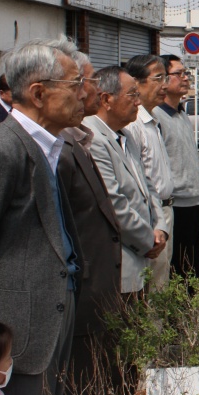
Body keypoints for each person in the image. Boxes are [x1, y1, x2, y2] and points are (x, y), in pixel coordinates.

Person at [0, 38, 85, 395]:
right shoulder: (2, 151)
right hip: (18, 332)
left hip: (51, 313)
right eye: (74, 85)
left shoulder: (50, 145)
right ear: (39, 93)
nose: (83, 93)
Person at [57, 53, 124, 386]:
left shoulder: (79, 139)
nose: (89, 93)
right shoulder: (52, 150)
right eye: (81, 83)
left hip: (95, 293)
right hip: (74, 298)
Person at [83, 66, 167, 297]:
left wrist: (160, 227)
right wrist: (148, 240)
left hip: (143, 257)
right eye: (132, 95)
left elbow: (148, 186)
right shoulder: (93, 139)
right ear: (106, 99)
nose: (138, 102)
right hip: (121, 261)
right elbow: (115, 203)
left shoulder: (125, 135)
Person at [154, 55, 199, 279]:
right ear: (164, 80)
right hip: (177, 204)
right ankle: (177, 315)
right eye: (179, 74)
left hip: (197, 201)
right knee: (179, 271)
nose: (186, 78)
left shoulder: (182, 114)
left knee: (193, 271)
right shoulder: (156, 117)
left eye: (186, 73)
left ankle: (189, 314)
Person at [124, 54, 176, 289]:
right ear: (136, 82)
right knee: (151, 289)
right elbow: (135, 182)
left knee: (161, 283)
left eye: (166, 77)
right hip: (150, 219)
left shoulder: (153, 119)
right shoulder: (133, 124)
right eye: (158, 78)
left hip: (164, 213)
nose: (164, 85)